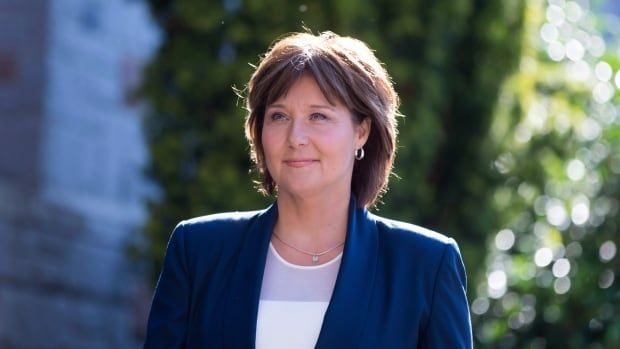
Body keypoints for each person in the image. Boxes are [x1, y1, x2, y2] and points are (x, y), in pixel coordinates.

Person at [143, 31, 472, 349]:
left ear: (361, 132)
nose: (296, 137)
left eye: (318, 116)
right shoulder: (198, 251)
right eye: (279, 116)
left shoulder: (425, 266)